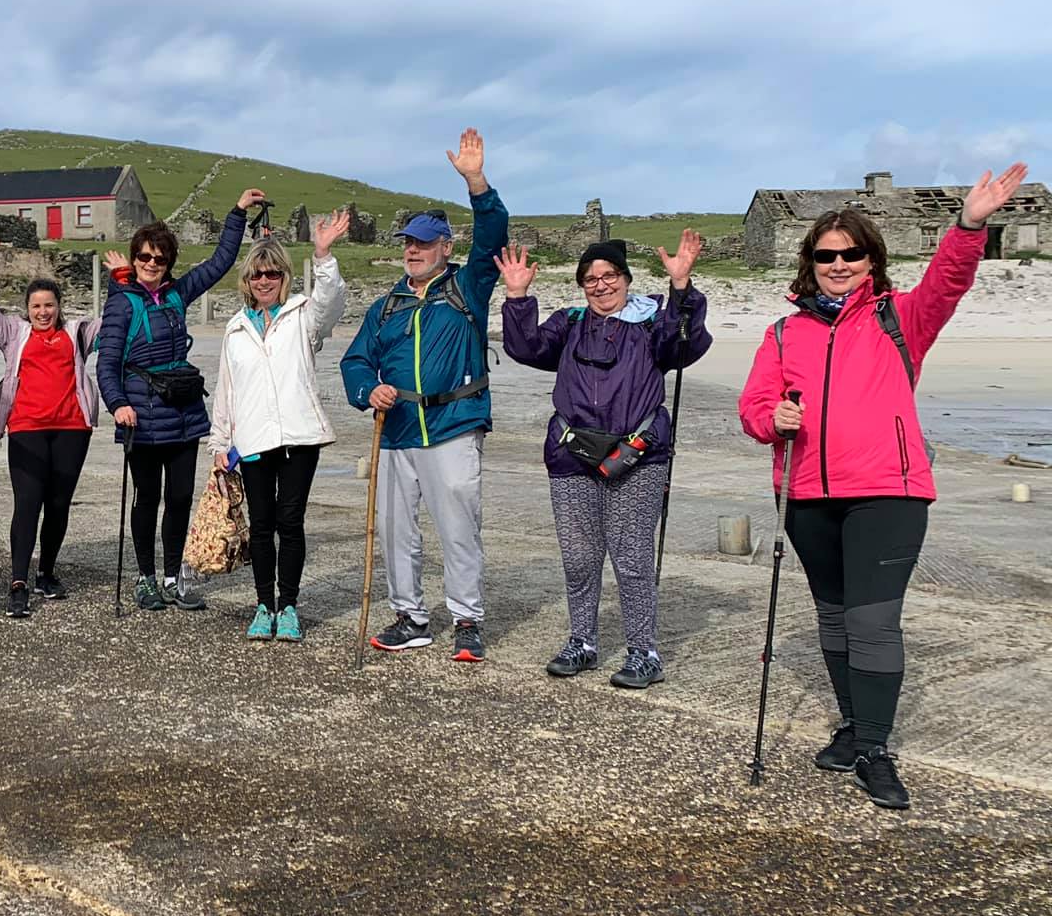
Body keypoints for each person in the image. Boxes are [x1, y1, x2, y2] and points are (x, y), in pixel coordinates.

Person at [738, 163, 1029, 809]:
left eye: (851, 255)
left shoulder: (903, 318)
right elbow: (754, 405)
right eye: (825, 255)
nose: (838, 264)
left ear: (872, 261)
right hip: (807, 496)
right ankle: (852, 724)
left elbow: (949, 282)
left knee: (873, 622)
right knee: (836, 621)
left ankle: (874, 747)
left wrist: (969, 224)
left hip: (887, 493)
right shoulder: (784, 332)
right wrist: (771, 418)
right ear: (809, 263)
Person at [499, 234, 711, 687]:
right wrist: (517, 296)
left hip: (637, 456)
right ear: (581, 286)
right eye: (590, 279)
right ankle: (583, 642)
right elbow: (526, 348)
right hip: (571, 455)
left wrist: (681, 286)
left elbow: (683, 346)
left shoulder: (652, 320)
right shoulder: (568, 323)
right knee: (578, 558)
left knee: (632, 558)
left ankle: (643, 652)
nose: (600, 286)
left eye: (609, 276)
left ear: (627, 279)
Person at [340, 128, 508, 660]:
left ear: (445, 248)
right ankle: (410, 616)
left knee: (459, 523)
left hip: (454, 425)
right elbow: (354, 360)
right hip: (396, 431)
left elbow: (494, 234)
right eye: (408, 243)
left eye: (423, 243)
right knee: (394, 529)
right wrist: (369, 391)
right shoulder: (386, 304)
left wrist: (476, 181)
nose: (413, 251)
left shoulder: (468, 287)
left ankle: (466, 620)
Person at [99, 187, 265, 611]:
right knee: (146, 498)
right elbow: (108, 362)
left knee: (178, 499)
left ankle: (173, 577)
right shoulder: (121, 303)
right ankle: (145, 578)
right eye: (144, 258)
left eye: (159, 259)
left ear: (169, 262)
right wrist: (117, 404)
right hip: (140, 415)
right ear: (135, 260)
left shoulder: (177, 294)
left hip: (184, 412)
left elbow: (220, 262)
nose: (151, 265)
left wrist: (237, 213)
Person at [207, 214, 350, 642]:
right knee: (261, 525)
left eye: (272, 273)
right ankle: (262, 606)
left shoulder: (302, 316)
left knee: (291, 522)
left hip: (299, 438)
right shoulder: (234, 329)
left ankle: (288, 605)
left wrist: (323, 255)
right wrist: (219, 441)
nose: (264, 281)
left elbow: (332, 303)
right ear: (246, 280)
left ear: (284, 276)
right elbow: (226, 390)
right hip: (252, 440)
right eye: (256, 274)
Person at [0, 229, 104, 619]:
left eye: (49, 305)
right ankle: (18, 582)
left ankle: (46, 572)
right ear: (27, 309)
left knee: (58, 504)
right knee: (28, 503)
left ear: (59, 307)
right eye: (36, 306)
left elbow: (116, 320)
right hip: (26, 428)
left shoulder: (77, 332)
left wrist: (123, 277)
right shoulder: (13, 332)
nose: (42, 312)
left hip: (72, 429)